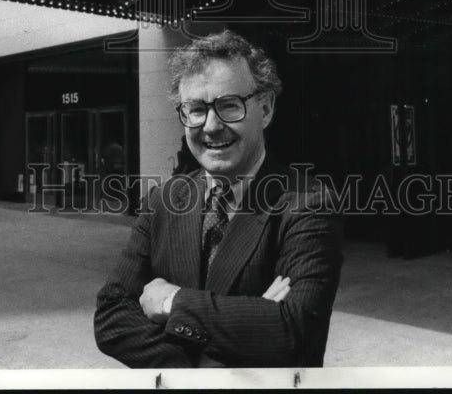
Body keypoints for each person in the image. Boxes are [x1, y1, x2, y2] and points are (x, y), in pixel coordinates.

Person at [94, 30, 343, 369]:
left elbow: (294, 332)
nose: (210, 126)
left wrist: (172, 302)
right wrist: (207, 366)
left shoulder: (308, 204)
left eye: (229, 105)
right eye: (195, 109)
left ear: (266, 108)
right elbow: (110, 316)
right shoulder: (163, 201)